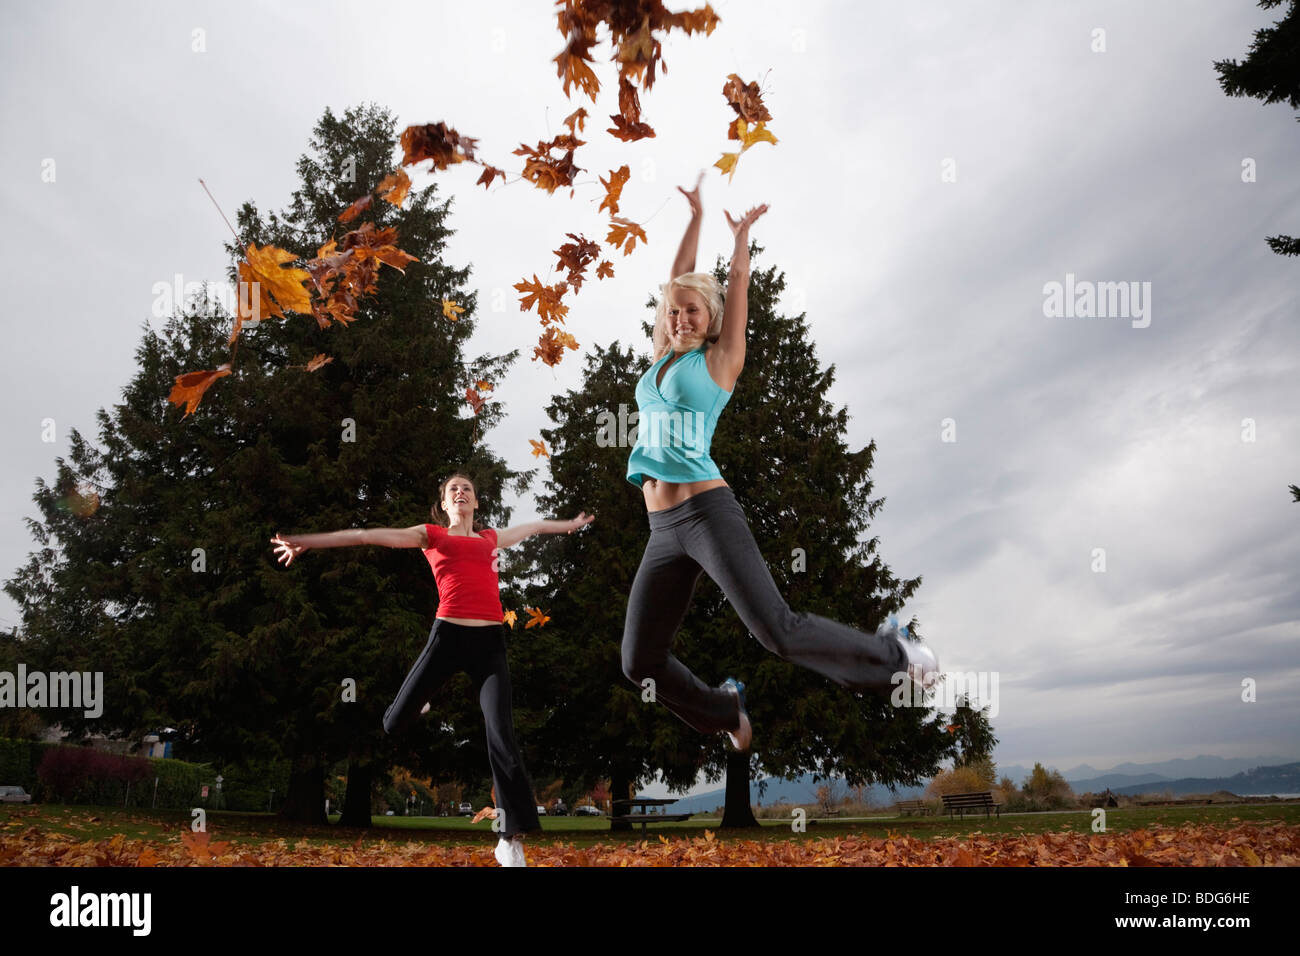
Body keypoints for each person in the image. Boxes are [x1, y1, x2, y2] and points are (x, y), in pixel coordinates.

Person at [621, 172, 940, 751]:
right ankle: (726, 712)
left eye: (693, 312)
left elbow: (733, 283)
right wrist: (694, 217)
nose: (680, 319)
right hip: (662, 531)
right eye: (674, 312)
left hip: (706, 513)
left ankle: (896, 654)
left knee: (777, 631)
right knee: (639, 662)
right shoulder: (660, 358)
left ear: (711, 319)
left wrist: (739, 240)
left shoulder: (719, 361)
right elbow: (676, 283)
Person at [271, 471, 594, 867]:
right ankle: (419, 706)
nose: (460, 492)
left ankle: (509, 838)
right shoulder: (432, 535)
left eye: (467, 489)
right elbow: (365, 535)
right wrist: (307, 542)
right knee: (393, 724)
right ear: (444, 505)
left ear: (476, 503)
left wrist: (571, 526)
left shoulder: (490, 539)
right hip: (447, 637)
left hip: (490, 645)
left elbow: (534, 527)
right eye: (452, 490)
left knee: (502, 736)